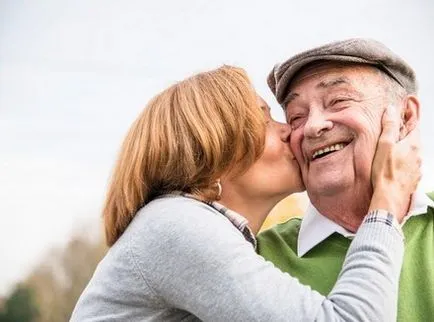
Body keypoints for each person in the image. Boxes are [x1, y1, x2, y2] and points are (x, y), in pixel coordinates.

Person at [70, 65, 420, 322]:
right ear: (214, 151)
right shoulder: (176, 227)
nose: (292, 131)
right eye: (266, 121)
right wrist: (387, 200)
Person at [258, 38, 434, 322]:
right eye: (296, 117)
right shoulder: (256, 257)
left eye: (339, 101)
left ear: (405, 116)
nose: (313, 126)